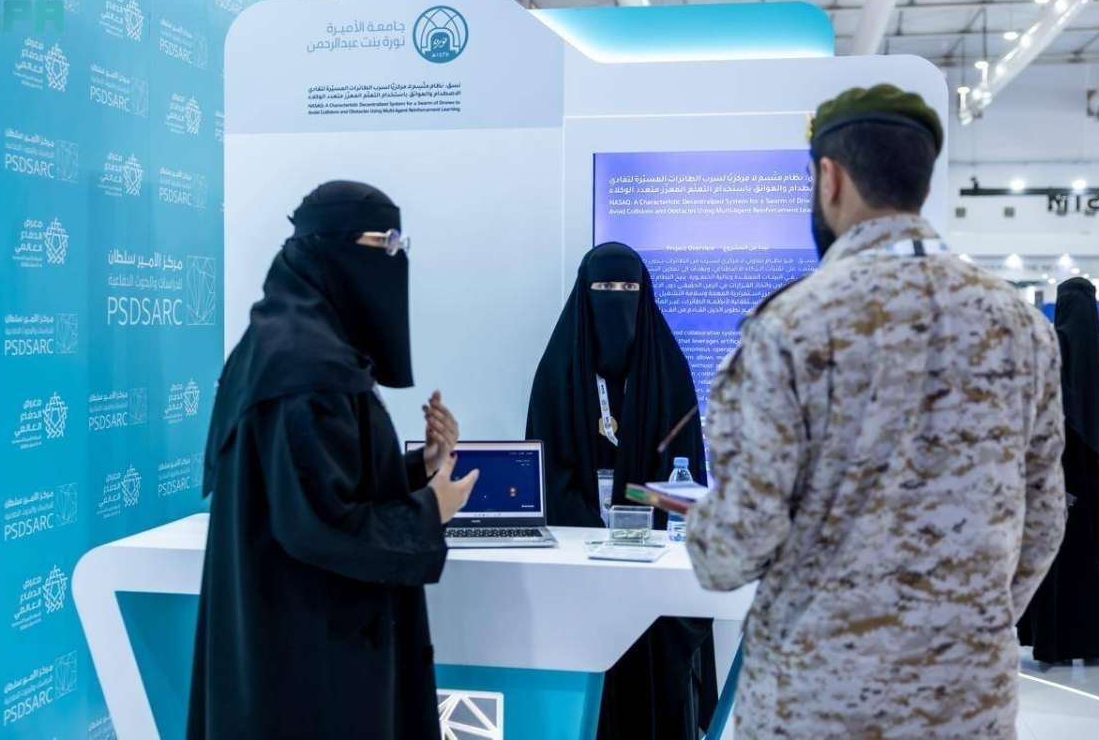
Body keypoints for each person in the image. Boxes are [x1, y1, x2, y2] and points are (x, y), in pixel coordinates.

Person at [685, 84, 1067, 738]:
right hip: (968, 702)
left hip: (820, 701)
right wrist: (966, 623)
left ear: (829, 178)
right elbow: (1045, 515)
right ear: (923, 183)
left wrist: (699, 530)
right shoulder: (1022, 325)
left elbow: (736, 545)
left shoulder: (791, 325)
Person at [187, 181, 479, 739]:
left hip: (296, 638)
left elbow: (320, 481)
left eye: (400, 243)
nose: (396, 258)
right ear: (333, 249)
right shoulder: (304, 367)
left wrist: (419, 467)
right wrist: (430, 510)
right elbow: (320, 523)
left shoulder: (292, 347)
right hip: (310, 655)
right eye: (384, 243)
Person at [526, 242, 716, 740]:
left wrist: (635, 532)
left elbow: (683, 478)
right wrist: (592, 533)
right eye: (605, 287)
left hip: (650, 555)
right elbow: (547, 474)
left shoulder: (668, 372)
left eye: (628, 287)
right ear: (585, 294)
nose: (617, 297)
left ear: (643, 293)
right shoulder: (559, 372)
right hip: (577, 554)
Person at [1018, 279, 1099, 662]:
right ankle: (1095, 639)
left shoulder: (1050, 348)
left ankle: (1054, 640)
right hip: (1094, 467)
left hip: (1054, 467)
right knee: (1092, 554)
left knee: (1050, 553)